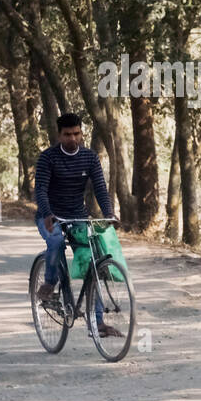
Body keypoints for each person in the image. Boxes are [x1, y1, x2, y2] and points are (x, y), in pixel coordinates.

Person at [33, 113, 123, 338]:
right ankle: (50, 284)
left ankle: (98, 322)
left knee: (92, 260)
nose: (72, 138)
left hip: (78, 216)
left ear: (81, 133)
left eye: (76, 134)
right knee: (55, 242)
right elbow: (41, 190)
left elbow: (100, 188)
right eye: (67, 135)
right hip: (50, 216)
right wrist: (47, 213)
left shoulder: (90, 158)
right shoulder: (48, 158)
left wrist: (109, 213)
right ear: (59, 135)